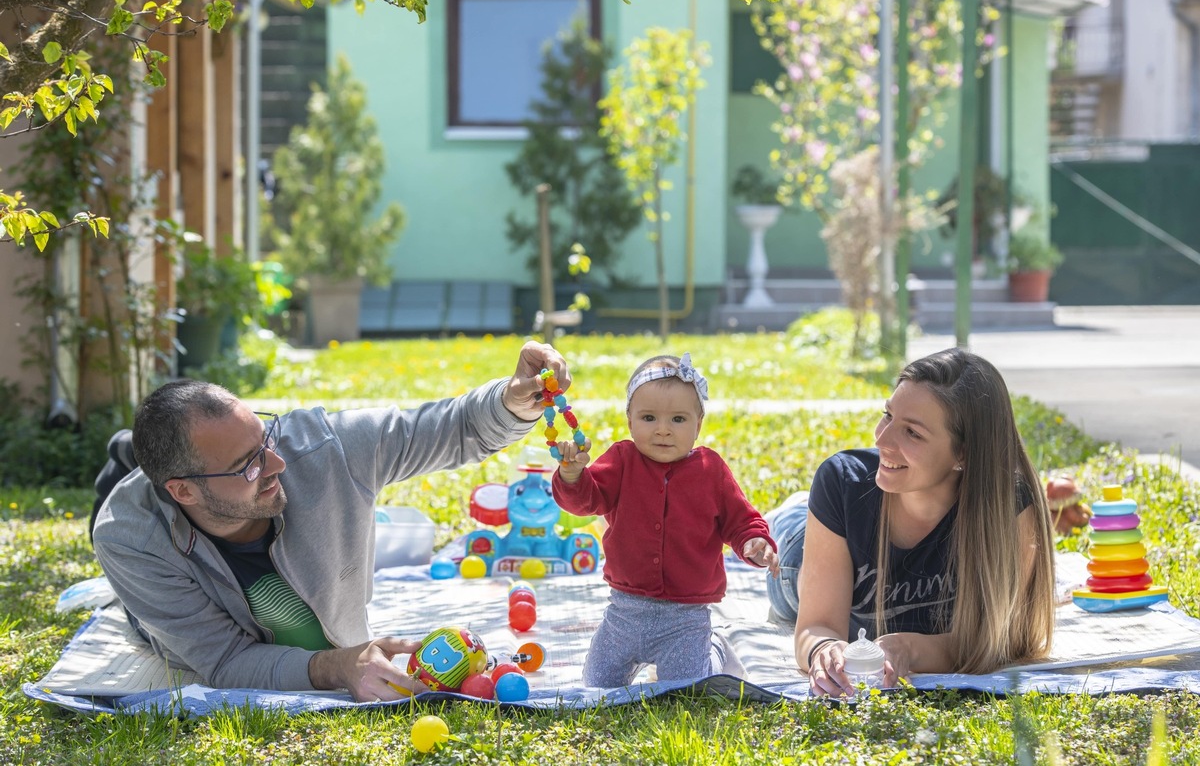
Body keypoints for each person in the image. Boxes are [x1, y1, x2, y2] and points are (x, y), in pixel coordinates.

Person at [91, 341, 571, 702]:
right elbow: (225, 660)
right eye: (249, 465)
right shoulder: (130, 539)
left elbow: (451, 427)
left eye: (265, 439)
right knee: (136, 605)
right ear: (183, 492)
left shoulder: (321, 448)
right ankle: (123, 456)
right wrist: (336, 666)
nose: (277, 465)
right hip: (159, 563)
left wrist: (511, 402)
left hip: (191, 481)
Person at [765, 347, 1056, 697]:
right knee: (784, 553)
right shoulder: (841, 484)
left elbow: (1001, 640)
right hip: (798, 556)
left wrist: (908, 648)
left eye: (913, 433)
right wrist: (822, 650)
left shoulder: (1006, 508)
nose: (881, 439)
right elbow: (817, 625)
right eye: (887, 416)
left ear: (963, 454)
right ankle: (792, 511)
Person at [552, 353, 780, 687]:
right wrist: (572, 476)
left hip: (685, 619)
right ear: (630, 421)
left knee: (687, 690)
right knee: (596, 687)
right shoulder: (621, 460)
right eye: (648, 418)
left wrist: (753, 542)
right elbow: (587, 499)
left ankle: (712, 649)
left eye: (677, 419)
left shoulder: (710, 470)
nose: (662, 430)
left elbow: (741, 520)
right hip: (624, 614)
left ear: (697, 425)